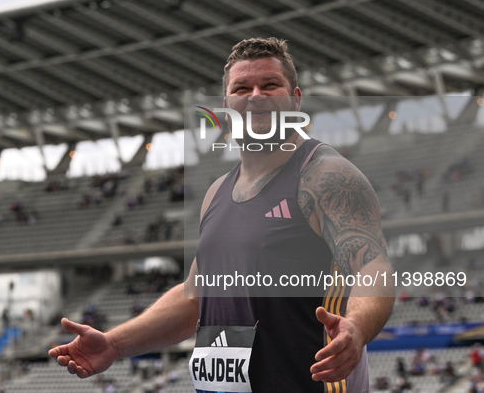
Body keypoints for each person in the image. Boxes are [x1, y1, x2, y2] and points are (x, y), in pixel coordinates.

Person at [49, 37, 394, 391]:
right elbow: (196, 298)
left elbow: (373, 266)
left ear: (296, 100)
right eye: (242, 88)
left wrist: (357, 327)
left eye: (270, 85)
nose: (256, 95)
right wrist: (114, 343)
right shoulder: (217, 192)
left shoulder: (326, 176)